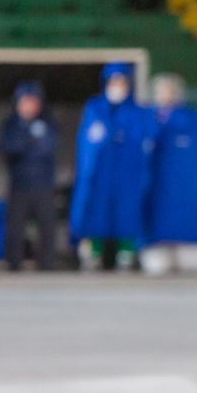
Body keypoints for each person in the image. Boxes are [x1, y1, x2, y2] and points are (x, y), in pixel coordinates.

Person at [72, 63, 155, 272]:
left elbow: (142, 142)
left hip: (127, 174)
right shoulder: (95, 108)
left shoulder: (137, 111)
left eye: (121, 82)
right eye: (113, 82)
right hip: (100, 173)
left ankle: (126, 256)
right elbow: (86, 144)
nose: (117, 87)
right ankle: (91, 255)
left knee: (126, 214)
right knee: (94, 212)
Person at [141, 73, 197, 275]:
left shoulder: (191, 118)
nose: (166, 95)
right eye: (162, 90)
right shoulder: (148, 118)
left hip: (186, 186)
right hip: (155, 188)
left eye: (170, 90)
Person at [0, 80, 59, 271]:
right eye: (25, 101)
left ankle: (46, 265)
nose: (29, 106)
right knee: (15, 228)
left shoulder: (48, 123)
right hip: (19, 184)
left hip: (43, 184)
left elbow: (47, 148)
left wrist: (27, 144)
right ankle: (14, 264)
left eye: (33, 102)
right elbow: (9, 148)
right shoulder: (11, 124)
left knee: (47, 228)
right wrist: (29, 139)